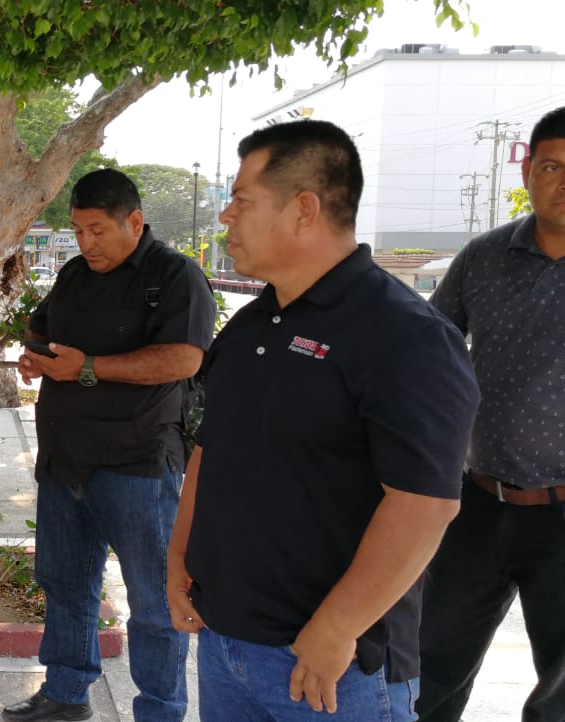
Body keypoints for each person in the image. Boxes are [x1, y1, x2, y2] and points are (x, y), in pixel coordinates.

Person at [167, 120, 480, 721]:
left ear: (304, 209)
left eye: (242, 200)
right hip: (225, 642)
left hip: (333, 668)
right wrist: (180, 558)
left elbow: (424, 504)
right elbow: (211, 450)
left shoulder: (405, 337)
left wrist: (336, 629)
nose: (226, 217)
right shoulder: (251, 326)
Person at [5, 168, 215, 722]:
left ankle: (160, 711)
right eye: (78, 230)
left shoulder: (175, 276)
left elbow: (184, 359)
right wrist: (37, 357)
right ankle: (66, 693)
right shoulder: (74, 274)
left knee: (152, 602)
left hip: (138, 465)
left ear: (135, 221)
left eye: (98, 230)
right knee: (65, 584)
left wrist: (90, 369)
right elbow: (43, 329)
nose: (86, 243)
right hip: (65, 461)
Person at [417, 106, 565, 722]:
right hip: (475, 504)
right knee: (430, 670)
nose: (564, 182)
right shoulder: (482, 258)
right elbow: (428, 360)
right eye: (552, 166)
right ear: (527, 170)